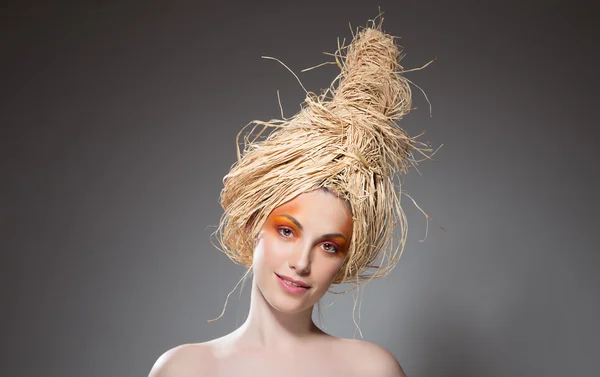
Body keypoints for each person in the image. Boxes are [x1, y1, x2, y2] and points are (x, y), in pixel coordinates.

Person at [149, 16, 433, 377]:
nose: (302, 263)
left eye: (329, 246)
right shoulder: (184, 369)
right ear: (253, 223)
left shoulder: (370, 369)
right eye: (288, 231)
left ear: (346, 259)